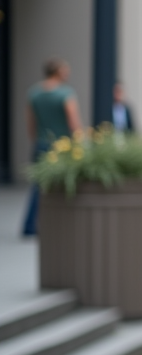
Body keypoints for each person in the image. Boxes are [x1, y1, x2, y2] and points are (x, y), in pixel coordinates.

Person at [22, 58, 81, 236]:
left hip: (41, 143)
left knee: (38, 185)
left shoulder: (34, 93)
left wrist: (36, 139)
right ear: (59, 72)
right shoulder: (66, 93)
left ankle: (30, 225)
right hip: (62, 146)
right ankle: (62, 224)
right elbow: (73, 121)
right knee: (65, 184)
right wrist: (79, 141)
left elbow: (31, 123)